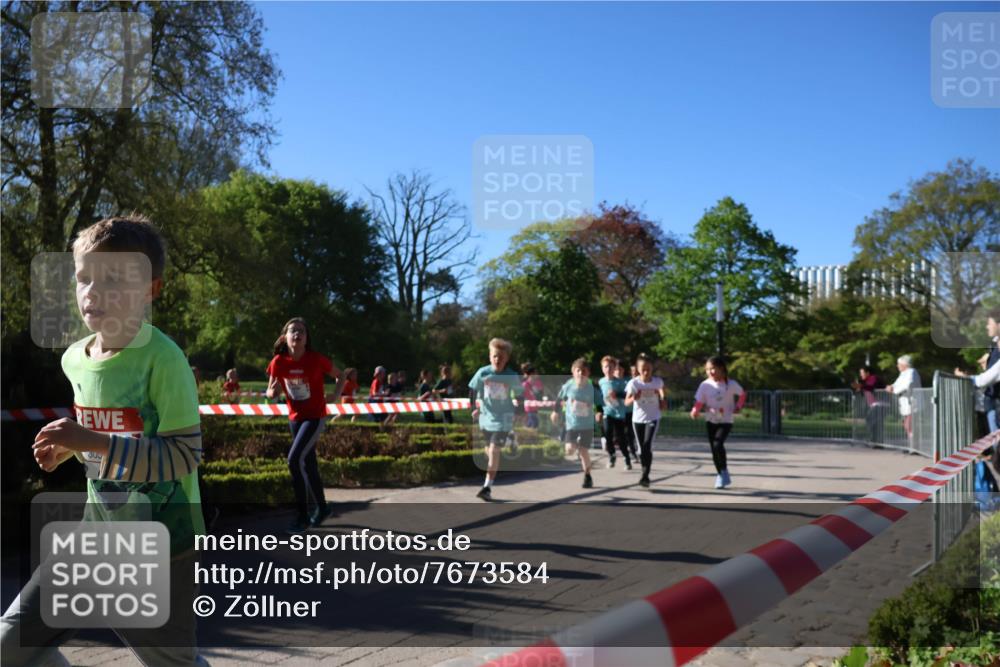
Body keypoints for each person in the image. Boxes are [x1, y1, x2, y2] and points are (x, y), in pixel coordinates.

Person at [2, 216, 208, 666]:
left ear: (150, 290)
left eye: (112, 279)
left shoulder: (164, 361)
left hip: (164, 549)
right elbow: (108, 435)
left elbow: (183, 455)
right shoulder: (76, 358)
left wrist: (90, 440)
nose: (92, 291)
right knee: (9, 645)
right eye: (83, 278)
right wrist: (71, 448)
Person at [266, 317, 344, 533]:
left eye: (301, 331)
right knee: (309, 464)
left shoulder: (316, 359)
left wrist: (336, 396)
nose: (297, 334)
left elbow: (341, 375)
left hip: (315, 416)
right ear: (285, 337)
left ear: (306, 338)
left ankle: (302, 515)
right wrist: (272, 392)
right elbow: (271, 390)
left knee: (294, 460)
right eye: (293, 331)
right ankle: (322, 508)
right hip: (295, 418)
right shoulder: (278, 362)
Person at [468, 338, 524, 500]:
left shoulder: (511, 375)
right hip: (486, 418)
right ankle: (510, 440)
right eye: (494, 356)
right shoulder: (483, 372)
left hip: (503, 418)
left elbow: (520, 394)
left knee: (493, 451)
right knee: (489, 451)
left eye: (501, 356)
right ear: (490, 356)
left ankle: (487, 487)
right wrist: (473, 408)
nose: (497, 359)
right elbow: (472, 389)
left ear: (506, 358)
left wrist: (520, 410)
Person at [690, 356, 746, 489]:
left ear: (721, 368)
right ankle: (720, 474)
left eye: (713, 368)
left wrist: (738, 407)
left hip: (726, 420)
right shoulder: (705, 385)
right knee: (714, 450)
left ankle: (724, 470)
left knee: (717, 443)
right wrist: (695, 411)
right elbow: (699, 401)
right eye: (708, 369)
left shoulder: (730, 384)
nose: (710, 372)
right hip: (711, 420)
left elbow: (742, 394)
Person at [552, 358, 602, 488]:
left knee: (584, 451)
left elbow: (599, 401)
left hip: (587, 426)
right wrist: (555, 412)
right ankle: (575, 448)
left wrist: (599, 412)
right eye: (578, 370)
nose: (581, 373)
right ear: (573, 372)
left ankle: (587, 476)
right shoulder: (569, 385)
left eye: (584, 371)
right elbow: (559, 398)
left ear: (588, 373)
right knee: (569, 450)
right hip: (572, 425)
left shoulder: (591, 387)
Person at [625, 353, 667, 488]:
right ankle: (644, 471)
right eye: (643, 368)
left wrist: (661, 399)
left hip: (653, 417)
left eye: (648, 368)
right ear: (637, 369)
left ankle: (645, 475)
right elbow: (626, 402)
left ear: (652, 368)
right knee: (642, 449)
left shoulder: (657, 382)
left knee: (647, 444)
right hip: (637, 419)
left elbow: (663, 403)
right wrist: (634, 398)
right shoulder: (634, 383)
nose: (646, 371)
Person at [955, 313, 1000, 433]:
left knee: (997, 443)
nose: (987, 326)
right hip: (992, 402)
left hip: (996, 403)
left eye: (990, 323)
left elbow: (983, 380)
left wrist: (965, 377)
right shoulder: (994, 346)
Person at [599, 356, 631, 470]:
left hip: (619, 413)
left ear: (614, 368)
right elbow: (600, 397)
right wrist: (598, 411)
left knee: (621, 438)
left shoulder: (620, 382)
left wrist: (616, 395)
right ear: (602, 368)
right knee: (607, 433)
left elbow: (627, 396)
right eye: (606, 366)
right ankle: (612, 455)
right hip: (607, 412)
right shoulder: (601, 381)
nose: (608, 369)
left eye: (610, 367)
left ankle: (627, 457)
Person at [887, 355, 921, 441]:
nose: (897, 366)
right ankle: (912, 444)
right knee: (907, 425)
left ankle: (914, 445)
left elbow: (907, 385)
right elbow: (896, 383)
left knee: (909, 424)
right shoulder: (903, 373)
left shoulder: (911, 372)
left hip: (912, 403)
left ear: (905, 365)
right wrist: (891, 386)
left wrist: (893, 390)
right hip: (906, 404)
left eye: (899, 364)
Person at [851, 365, 886, 442]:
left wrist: (860, 386)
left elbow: (870, 386)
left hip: (879, 404)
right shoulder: (866, 380)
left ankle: (878, 442)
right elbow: (865, 388)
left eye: (862, 373)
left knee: (876, 423)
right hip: (874, 404)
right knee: (871, 421)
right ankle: (874, 440)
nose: (861, 375)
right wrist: (859, 388)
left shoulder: (873, 378)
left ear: (868, 373)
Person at [616, 363, 638, 459]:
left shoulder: (628, 381)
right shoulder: (612, 382)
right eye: (617, 370)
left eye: (620, 369)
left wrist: (617, 394)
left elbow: (627, 394)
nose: (619, 372)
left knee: (630, 433)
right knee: (620, 434)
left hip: (629, 411)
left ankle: (633, 451)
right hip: (618, 412)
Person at [520, 363, 544, 429]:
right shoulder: (525, 384)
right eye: (535, 373)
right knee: (534, 422)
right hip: (529, 407)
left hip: (536, 406)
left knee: (531, 423)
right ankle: (529, 434)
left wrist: (540, 394)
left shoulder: (538, 382)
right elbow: (521, 395)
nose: (537, 374)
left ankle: (526, 432)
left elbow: (541, 393)